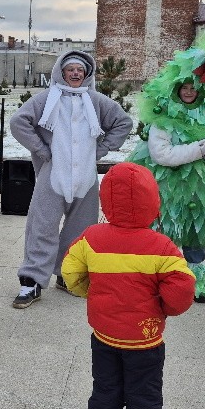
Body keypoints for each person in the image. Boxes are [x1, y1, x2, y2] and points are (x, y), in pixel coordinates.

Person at [61, 162, 195, 409]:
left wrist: (90, 293)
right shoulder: (163, 247)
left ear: (106, 201)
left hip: (104, 336)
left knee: (105, 393)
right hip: (144, 342)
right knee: (144, 400)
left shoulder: (91, 238)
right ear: (153, 202)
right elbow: (181, 292)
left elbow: (70, 273)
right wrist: (162, 309)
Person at [9, 50, 132, 308]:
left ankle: (67, 275)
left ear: (87, 74)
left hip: (86, 177)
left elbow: (123, 122)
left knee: (81, 231)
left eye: (80, 70)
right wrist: (41, 150)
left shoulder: (96, 101)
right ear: (61, 72)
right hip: (53, 175)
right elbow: (19, 122)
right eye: (70, 69)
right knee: (42, 227)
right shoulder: (46, 98)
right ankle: (31, 281)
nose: (75, 73)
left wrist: (101, 149)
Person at [129, 32, 205, 303]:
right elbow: (162, 155)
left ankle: (195, 280)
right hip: (167, 185)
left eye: (193, 87)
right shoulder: (163, 120)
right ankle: (161, 278)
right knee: (166, 229)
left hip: (199, 187)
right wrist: (198, 149)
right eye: (184, 87)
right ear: (175, 88)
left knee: (196, 230)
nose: (188, 91)